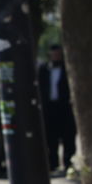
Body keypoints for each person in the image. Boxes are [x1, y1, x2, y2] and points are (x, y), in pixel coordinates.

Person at [36, 43, 76, 175]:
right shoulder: (44, 69)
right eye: (54, 54)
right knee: (50, 137)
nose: (56, 56)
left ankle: (68, 163)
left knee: (68, 137)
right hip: (49, 108)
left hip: (65, 107)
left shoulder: (67, 68)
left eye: (58, 54)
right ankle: (52, 163)